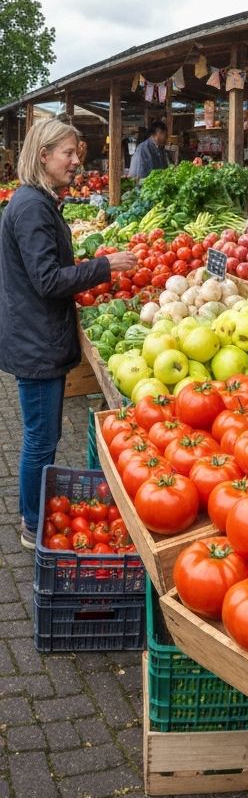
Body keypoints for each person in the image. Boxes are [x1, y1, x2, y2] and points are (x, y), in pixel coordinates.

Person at [0, 119, 137, 548]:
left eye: (77, 154)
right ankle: (31, 522)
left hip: (34, 333)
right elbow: (46, 280)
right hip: (36, 341)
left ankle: (33, 513)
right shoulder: (31, 207)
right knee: (41, 439)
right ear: (44, 155)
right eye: (69, 153)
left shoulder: (37, 202)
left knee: (43, 435)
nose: (77, 161)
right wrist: (105, 266)